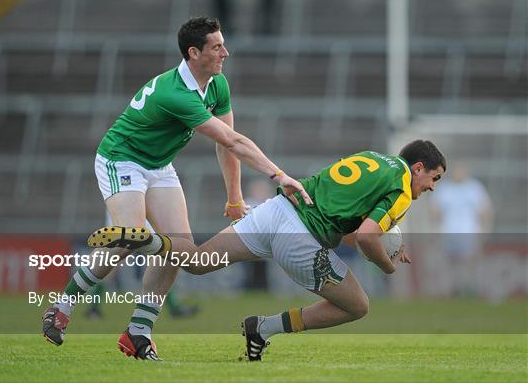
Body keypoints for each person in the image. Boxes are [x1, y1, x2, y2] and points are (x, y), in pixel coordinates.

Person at [41, 16, 312, 359]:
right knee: (130, 236)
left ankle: (138, 333)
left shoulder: (217, 84)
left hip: (158, 165)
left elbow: (227, 145)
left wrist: (235, 197)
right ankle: (62, 305)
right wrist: (280, 176)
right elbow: (233, 139)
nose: (225, 52)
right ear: (194, 52)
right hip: (121, 159)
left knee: (180, 248)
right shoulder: (176, 93)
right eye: (217, 47)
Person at [88, 139, 446, 361]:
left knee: (197, 261)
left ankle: (147, 240)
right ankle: (264, 328)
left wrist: (378, 239)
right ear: (418, 168)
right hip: (301, 237)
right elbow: (367, 238)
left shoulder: (373, 159)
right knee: (358, 305)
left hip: (278, 211)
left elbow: (352, 228)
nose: (431, 187)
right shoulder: (400, 188)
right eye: (433, 178)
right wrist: (388, 266)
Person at [430, 161, 493, 295]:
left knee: (469, 264)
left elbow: (485, 211)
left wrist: (484, 231)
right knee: (449, 265)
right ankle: (452, 291)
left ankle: (471, 290)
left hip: (469, 232)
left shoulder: (474, 188)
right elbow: (435, 212)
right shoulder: (445, 189)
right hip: (448, 232)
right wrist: (435, 230)